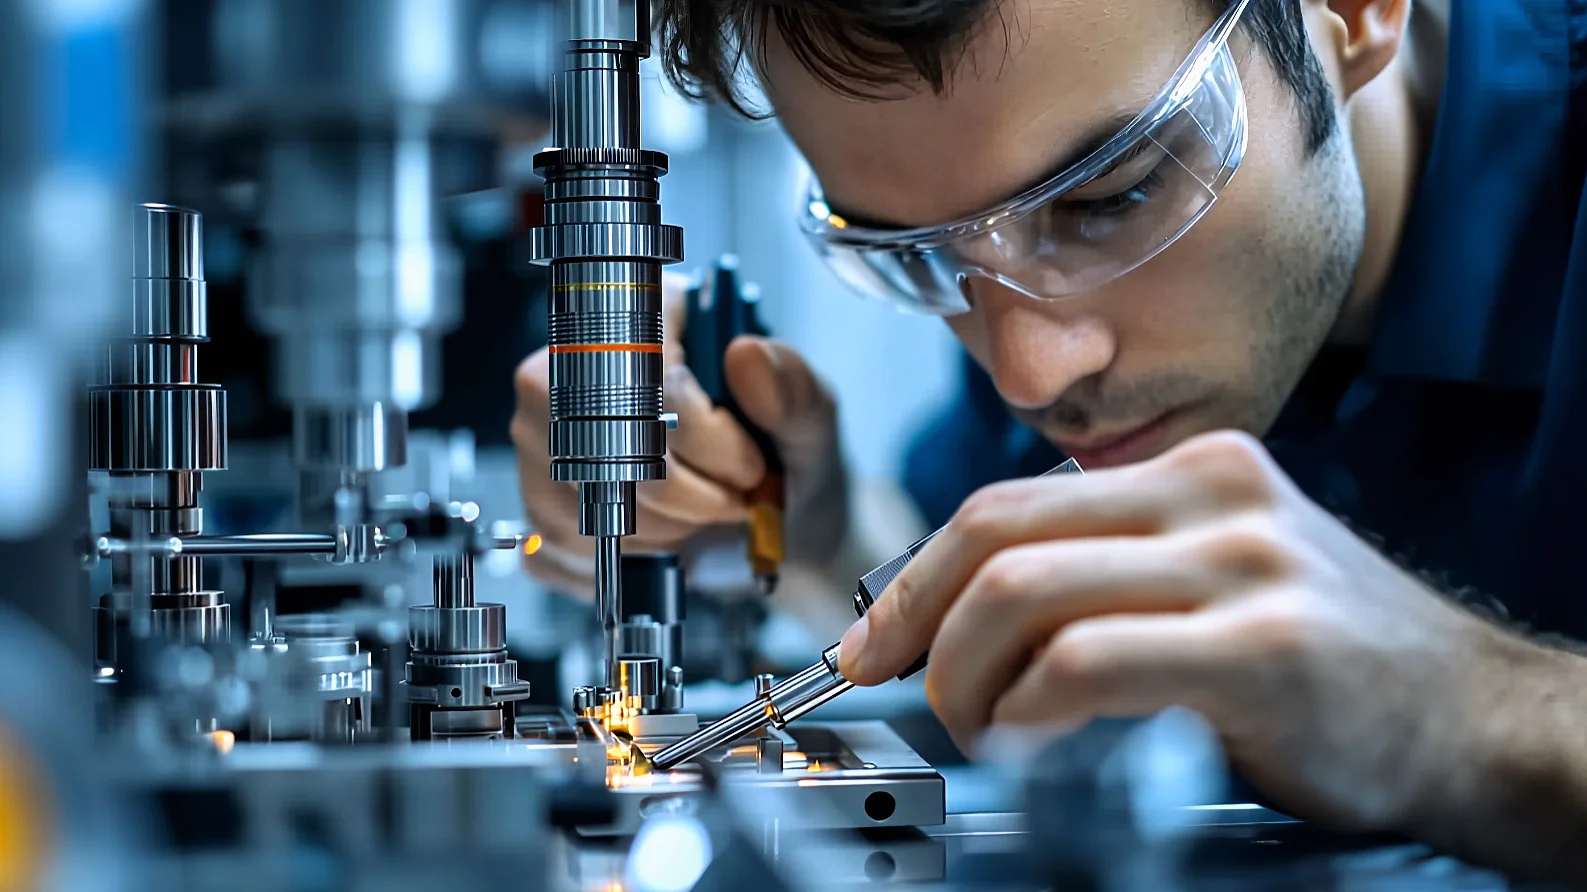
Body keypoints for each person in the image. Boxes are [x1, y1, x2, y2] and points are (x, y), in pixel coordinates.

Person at [514, 0, 1587, 880]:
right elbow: (986, 572)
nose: (1031, 371)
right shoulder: (1042, 287)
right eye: (920, 258)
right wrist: (814, 532)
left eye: (1112, 196)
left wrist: (1461, 706)